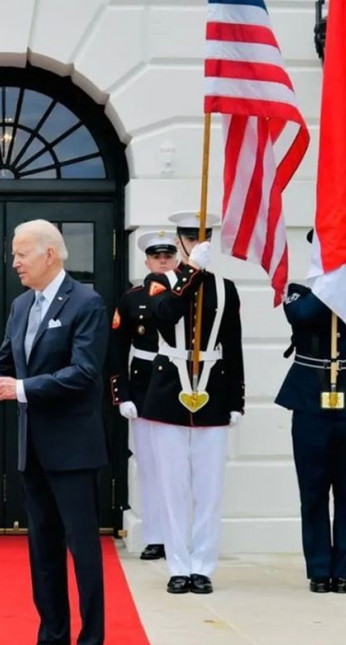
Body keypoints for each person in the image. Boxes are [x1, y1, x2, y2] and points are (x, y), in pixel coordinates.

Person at [0, 219, 109, 645]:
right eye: (14, 254)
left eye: (22, 253)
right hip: (33, 449)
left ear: (50, 254)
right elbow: (3, 362)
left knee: (82, 550)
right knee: (42, 550)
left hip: (73, 450)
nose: (15, 262)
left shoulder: (87, 302)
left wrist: (23, 389)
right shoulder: (22, 304)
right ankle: (52, 640)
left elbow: (84, 373)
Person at [275, 230, 346, 594]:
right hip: (310, 402)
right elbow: (303, 316)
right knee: (312, 491)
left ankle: (343, 571)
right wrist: (334, 283)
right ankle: (319, 569)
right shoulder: (300, 291)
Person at [141, 211, 244, 595]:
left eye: (201, 237)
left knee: (209, 486)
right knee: (172, 487)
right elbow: (165, 314)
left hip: (213, 391)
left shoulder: (226, 288)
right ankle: (178, 565)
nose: (196, 243)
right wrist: (190, 271)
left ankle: (203, 565)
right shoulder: (159, 281)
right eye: (189, 237)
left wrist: (237, 398)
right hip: (169, 391)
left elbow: (232, 345)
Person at [110, 229, 178, 562]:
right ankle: (156, 535)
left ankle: (182, 534)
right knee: (150, 467)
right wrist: (121, 394)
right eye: (156, 256)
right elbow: (117, 349)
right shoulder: (132, 297)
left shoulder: (190, 292)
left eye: (168, 256)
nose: (163, 261)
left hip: (183, 388)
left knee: (180, 467)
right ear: (147, 260)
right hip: (145, 386)